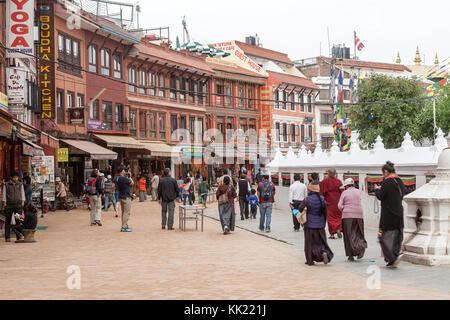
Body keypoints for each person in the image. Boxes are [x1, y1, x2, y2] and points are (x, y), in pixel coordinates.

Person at [375, 161, 406, 268]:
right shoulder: (400, 181)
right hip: (399, 213)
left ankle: (392, 258)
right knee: (397, 236)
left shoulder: (387, 182)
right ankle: (393, 257)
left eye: (383, 173)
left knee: (383, 238)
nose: (383, 175)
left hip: (388, 214)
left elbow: (381, 196)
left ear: (386, 171)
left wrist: (376, 190)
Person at [299, 181, 334, 265]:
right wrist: (323, 222)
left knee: (309, 243)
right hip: (320, 225)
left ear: (310, 190)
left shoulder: (307, 199)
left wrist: (305, 209)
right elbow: (325, 212)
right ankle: (323, 252)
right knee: (321, 242)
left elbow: (300, 208)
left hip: (309, 225)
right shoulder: (322, 199)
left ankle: (310, 260)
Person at [338, 178, 368, 261]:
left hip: (348, 216)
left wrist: (345, 208)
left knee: (348, 235)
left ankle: (350, 255)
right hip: (359, 215)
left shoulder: (344, 193)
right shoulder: (358, 191)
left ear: (346, 186)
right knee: (359, 233)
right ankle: (361, 248)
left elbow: (339, 206)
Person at [320, 168, 343, 239]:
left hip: (329, 203)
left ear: (328, 174)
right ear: (335, 174)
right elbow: (342, 192)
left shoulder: (324, 181)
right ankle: (338, 228)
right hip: (338, 202)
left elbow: (322, 193)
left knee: (330, 218)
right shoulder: (339, 181)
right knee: (338, 217)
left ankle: (332, 234)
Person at [2, 170, 25, 242]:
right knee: (8, 221)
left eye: (17, 177)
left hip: (18, 205)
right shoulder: (6, 184)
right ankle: (7, 237)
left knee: (18, 221)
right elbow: (4, 195)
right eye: (14, 177)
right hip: (9, 206)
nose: (16, 179)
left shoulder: (20, 184)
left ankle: (19, 236)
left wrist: (22, 202)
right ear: (11, 177)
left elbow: (22, 193)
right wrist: (5, 204)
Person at [116, 166, 134, 232]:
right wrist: (130, 176)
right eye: (124, 170)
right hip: (126, 197)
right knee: (127, 212)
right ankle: (124, 227)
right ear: (122, 171)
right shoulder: (123, 178)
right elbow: (132, 183)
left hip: (121, 196)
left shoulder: (118, 178)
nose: (125, 171)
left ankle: (124, 225)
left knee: (124, 212)